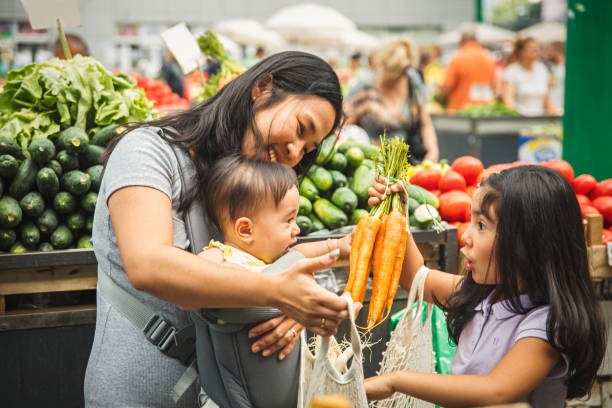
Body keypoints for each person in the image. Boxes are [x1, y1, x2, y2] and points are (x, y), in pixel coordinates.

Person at [84, 51, 352, 407]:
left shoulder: (242, 182)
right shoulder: (147, 151)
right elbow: (148, 264)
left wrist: (289, 308)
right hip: (135, 395)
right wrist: (277, 292)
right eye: (301, 130)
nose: (295, 152)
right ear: (262, 88)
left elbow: (265, 260)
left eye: (308, 149)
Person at [364, 165, 606, 406]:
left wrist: (395, 381)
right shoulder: (481, 296)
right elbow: (416, 277)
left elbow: (496, 389)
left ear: (528, 245)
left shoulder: (548, 323)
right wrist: (397, 214)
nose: (466, 236)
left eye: (481, 225)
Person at [195, 155, 353, 406]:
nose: (297, 229)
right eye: (288, 220)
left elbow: (301, 253)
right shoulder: (220, 255)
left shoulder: (273, 259)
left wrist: (337, 245)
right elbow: (198, 280)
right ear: (246, 230)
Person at [344, 37, 439, 164]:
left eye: (403, 71)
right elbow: (342, 126)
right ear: (383, 63)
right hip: (368, 164)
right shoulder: (365, 86)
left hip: (403, 165)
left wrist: (432, 153)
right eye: (394, 70)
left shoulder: (412, 81)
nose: (398, 76)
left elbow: (425, 123)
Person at [441, 30, 496, 113]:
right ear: (477, 40)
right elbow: (494, 86)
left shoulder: (457, 57)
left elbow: (447, 87)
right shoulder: (489, 57)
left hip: (460, 111)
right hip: (485, 110)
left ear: (462, 40)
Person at [502, 37, 557, 116]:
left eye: (537, 49)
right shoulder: (512, 70)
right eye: (532, 49)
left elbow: (547, 96)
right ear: (522, 52)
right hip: (520, 117)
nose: (536, 52)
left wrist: (553, 112)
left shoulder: (542, 69)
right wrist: (514, 115)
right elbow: (508, 98)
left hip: (540, 118)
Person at [545, 41, 566, 115]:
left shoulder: (566, 68)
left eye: (549, 50)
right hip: (552, 108)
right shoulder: (554, 67)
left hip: (562, 108)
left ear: (557, 51)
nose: (546, 54)